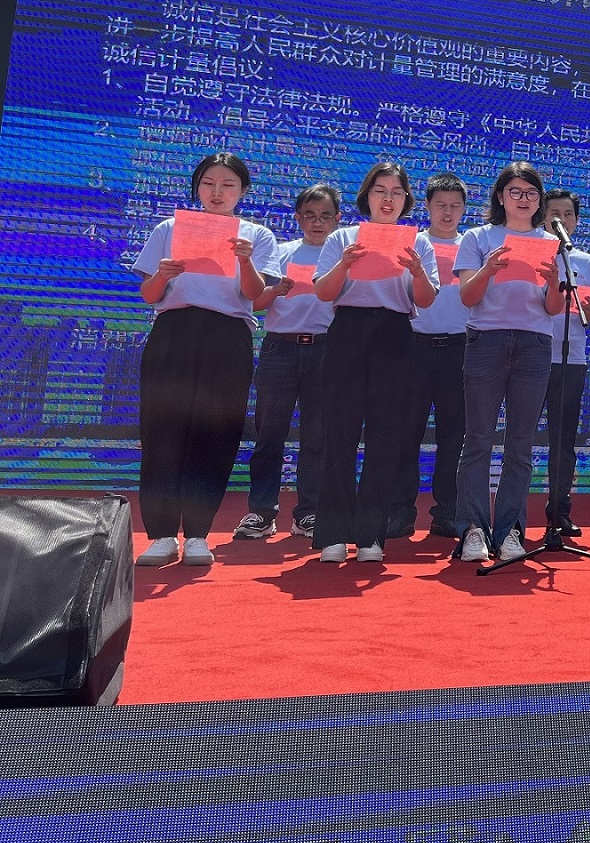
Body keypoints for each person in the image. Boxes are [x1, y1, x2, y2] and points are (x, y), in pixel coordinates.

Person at [133, 152, 280, 566]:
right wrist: (163, 275)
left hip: (228, 337)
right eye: (209, 183)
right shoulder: (169, 229)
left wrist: (244, 260)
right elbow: (149, 295)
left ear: (242, 191)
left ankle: (198, 533)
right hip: (173, 333)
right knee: (162, 431)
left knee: (216, 433)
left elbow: (255, 295)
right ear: (197, 187)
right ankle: (162, 535)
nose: (217, 192)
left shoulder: (256, 235)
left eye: (227, 185)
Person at [312, 162, 439, 564]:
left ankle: (371, 535)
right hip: (347, 332)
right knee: (340, 434)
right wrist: (345, 263)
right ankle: (333, 534)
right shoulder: (343, 238)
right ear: (366, 195)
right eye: (380, 190)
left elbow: (426, 299)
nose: (388, 199)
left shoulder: (418, 242)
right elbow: (323, 292)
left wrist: (417, 271)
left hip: (395, 334)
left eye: (397, 192)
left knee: (385, 437)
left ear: (406, 200)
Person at [453, 163, 564, 563]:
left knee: (520, 443)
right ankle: (472, 529)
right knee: (478, 439)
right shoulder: (479, 237)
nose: (523, 199)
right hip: (487, 340)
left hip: (534, 343)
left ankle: (511, 530)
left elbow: (554, 308)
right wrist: (488, 269)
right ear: (500, 196)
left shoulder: (551, 241)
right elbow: (468, 297)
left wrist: (553, 281)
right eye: (515, 192)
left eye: (531, 193)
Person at [234, 182, 339, 542]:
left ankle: (309, 512)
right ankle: (261, 512)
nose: (317, 222)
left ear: (337, 219)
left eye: (325, 216)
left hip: (326, 349)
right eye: (309, 215)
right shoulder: (280, 252)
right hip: (281, 348)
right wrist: (275, 290)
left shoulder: (342, 258)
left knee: (317, 436)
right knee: (269, 434)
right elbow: (254, 302)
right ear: (297, 218)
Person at [393, 173, 468, 540]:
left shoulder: (473, 247)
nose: (447, 212)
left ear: (464, 209)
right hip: (415, 347)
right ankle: (399, 512)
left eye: (455, 206)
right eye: (441, 205)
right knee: (405, 432)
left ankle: (448, 512)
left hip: (461, 349)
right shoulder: (412, 244)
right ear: (426, 206)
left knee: (455, 436)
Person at [541, 188, 590, 537]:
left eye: (567, 214)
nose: (561, 220)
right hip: (531, 355)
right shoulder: (532, 253)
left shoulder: (588, 263)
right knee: (519, 436)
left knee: (563, 439)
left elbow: (589, 317)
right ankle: (512, 517)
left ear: (576, 221)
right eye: (554, 214)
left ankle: (559, 511)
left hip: (570, 358)